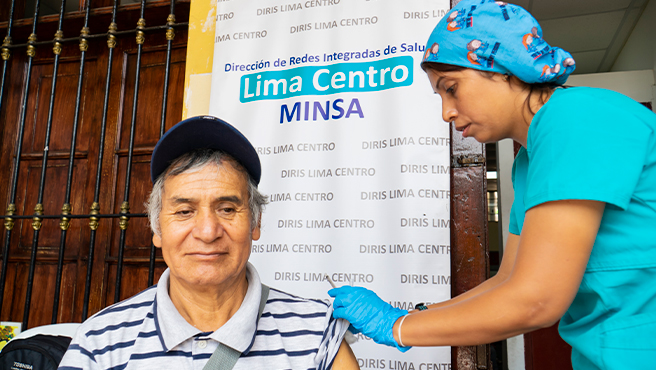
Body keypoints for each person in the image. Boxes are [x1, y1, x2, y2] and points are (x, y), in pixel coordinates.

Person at [328, 1, 656, 368]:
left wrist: (398, 327)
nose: (446, 112)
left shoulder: (576, 118)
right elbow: (509, 280)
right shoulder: (528, 160)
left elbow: (537, 301)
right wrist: (410, 315)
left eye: (451, 88)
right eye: (439, 96)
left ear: (503, 70)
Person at [58, 116, 359, 370]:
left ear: (256, 223)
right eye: (184, 211)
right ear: (157, 229)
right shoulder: (99, 344)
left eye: (227, 209)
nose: (207, 231)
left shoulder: (318, 337)